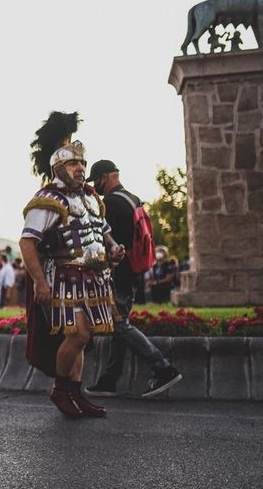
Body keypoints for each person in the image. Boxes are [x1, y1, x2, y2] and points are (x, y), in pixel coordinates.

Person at [20, 111, 124, 419]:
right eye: (72, 163)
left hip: (93, 278)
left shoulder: (91, 197)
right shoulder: (47, 199)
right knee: (77, 334)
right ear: (57, 167)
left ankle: (77, 393)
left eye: (81, 163)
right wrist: (40, 282)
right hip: (64, 277)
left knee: (84, 337)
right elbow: (28, 242)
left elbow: (102, 230)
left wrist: (114, 248)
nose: (80, 168)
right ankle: (61, 389)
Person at [84, 160, 183, 398]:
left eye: (96, 180)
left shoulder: (110, 204)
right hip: (135, 272)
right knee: (119, 325)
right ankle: (109, 379)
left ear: (105, 177)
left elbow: (107, 244)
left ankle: (163, 368)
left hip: (120, 273)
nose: (95, 186)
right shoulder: (133, 199)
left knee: (118, 324)